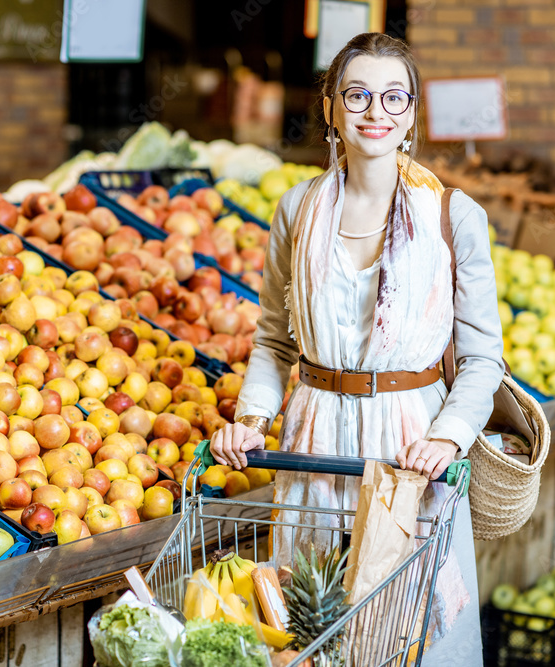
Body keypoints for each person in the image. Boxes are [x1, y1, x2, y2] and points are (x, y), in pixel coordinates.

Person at [209, 32, 504, 664]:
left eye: (394, 97)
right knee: (311, 619)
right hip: (317, 435)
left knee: (408, 629)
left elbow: (483, 358)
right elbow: (272, 337)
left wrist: (447, 436)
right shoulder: (297, 209)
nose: (377, 112)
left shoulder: (454, 217)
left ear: (412, 113)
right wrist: (253, 419)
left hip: (411, 445)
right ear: (330, 108)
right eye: (359, 95)